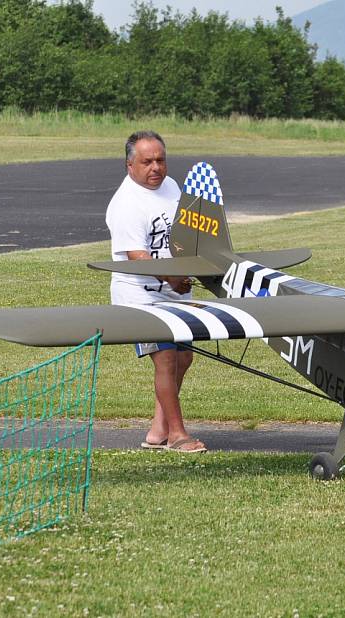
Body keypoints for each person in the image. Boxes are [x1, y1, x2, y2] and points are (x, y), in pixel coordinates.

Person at [105, 130, 206, 453]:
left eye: (160, 160)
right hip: (141, 295)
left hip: (175, 290)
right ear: (129, 165)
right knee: (165, 358)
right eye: (147, 161)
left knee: (184, 357)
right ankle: (177, 435)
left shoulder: (172, 187)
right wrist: (173, 279)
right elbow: (138, 257)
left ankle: (158, 430)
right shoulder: (125, 204)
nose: (156, 168)